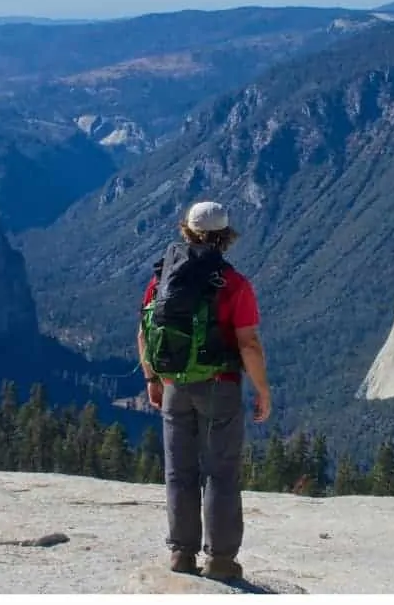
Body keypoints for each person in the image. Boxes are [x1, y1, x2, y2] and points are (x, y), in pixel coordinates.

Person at [137, 200, 272, 581]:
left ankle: (181, 554)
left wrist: (152, 378)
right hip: (219, 387)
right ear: (225, 237)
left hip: (175, 384)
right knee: (220, 473)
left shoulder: (162, 279)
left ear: (187, 231)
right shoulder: (232, 284)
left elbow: (145, 332)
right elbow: (249, 344)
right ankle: (221, 561)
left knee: (179, 471)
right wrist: (262, 389)